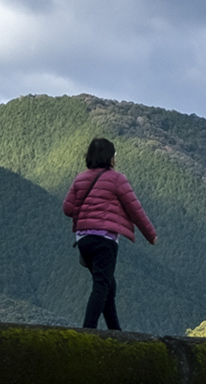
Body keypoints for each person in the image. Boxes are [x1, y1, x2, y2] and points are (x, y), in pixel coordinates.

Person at [62, 138, 156, 330]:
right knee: (102, 285)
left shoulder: (80, 179)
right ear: (110, 158)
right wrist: (151, 235)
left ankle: (116, 331)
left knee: (108, 285)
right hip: (104, 240)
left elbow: (67, 208)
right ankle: (88, 330)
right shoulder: (117, 179)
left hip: (83, 241)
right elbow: (135, 210)